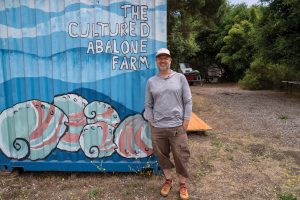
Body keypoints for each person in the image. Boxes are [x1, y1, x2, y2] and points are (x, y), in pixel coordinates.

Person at [143, 48, 192, 200]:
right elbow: (148, 104)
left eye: (166, 58)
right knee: (162, 156)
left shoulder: (180, 78)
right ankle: (168, 180)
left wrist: (186, 121)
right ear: (157, 61)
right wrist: (152, 121)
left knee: (181, 156)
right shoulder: (151, 81)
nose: (163, 60)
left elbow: (188, 100)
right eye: (160, 58)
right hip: (158, 127)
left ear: (170, 60)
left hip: (177, 126)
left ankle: (182, 185)